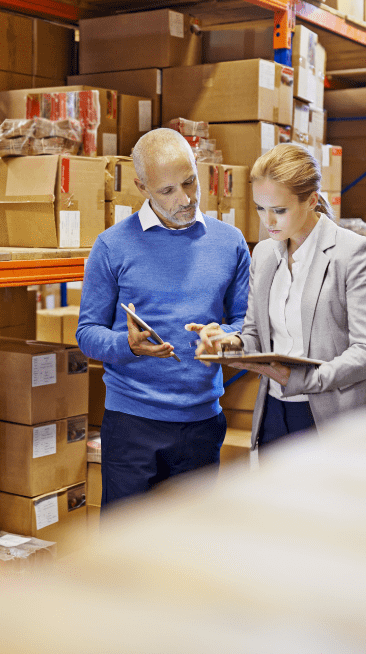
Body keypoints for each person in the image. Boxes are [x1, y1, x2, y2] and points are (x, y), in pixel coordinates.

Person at [75, 128, 250, 508]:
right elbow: (87, 333)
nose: (185, 199)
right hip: (131, 425)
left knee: (188, 554)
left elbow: (245, 324)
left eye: (190, 182)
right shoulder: (112, 245)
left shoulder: (230, 243)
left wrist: (227, 339)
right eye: (168, 191)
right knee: (127, 552)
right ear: (141, 187)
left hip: (203, 423)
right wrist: (128, 346)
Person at [194, 142, 366, 452]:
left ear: (311, 200)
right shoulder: (264, 254)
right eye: (260, 207)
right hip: (274, 413)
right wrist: (229, 344)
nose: (267, 221)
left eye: (279, 210)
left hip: (332, 420)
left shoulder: (352, 254)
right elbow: (256, 334)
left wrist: (303, 381)